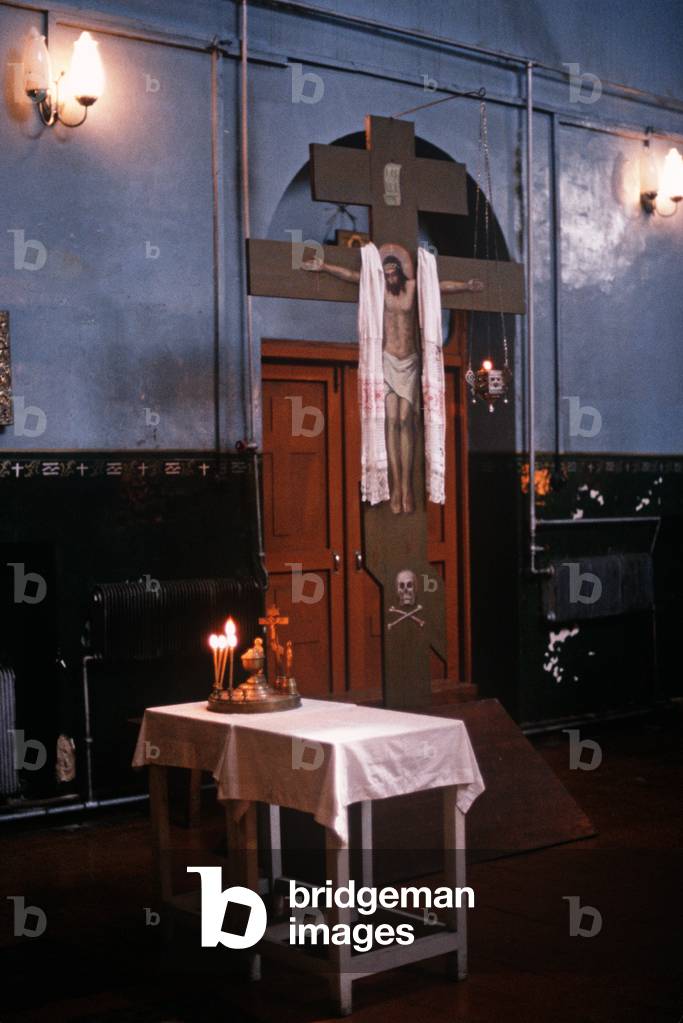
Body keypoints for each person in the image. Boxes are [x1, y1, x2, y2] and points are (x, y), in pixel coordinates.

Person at [303, 243, 483, 513]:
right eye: (385, 274)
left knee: (405, 421)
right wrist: (325, 267)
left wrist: (467, 285)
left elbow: (439, 287)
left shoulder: (413, 288)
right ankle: (395, 486)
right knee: (390, 421)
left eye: (392, 273)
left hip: (410, 361)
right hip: (386, 360)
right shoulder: (376, 290)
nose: (389, 278)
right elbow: (353, 277)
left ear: (400, 271)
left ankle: (406, 488)